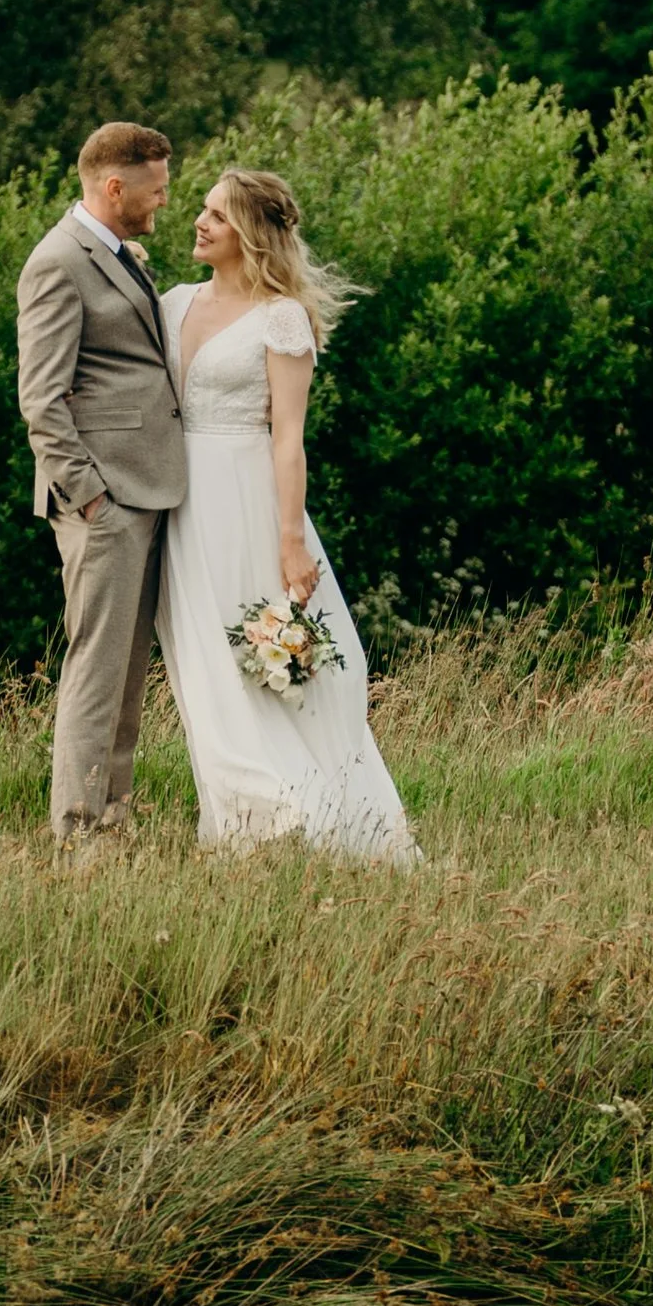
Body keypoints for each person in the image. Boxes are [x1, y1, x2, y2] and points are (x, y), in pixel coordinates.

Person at [156, 170, 414, 861]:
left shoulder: (281, 318)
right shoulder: (171, 303)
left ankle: (299, 816)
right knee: (203, 669)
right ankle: (243, 819)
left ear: (250, 234)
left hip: (247, 501)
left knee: (257, 662)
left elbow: (289, 439)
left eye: (216, 215)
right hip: (178, 510)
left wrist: (292, 542)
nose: (199, 223)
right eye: (203, 210)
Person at [15, 121, 186, 848]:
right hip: (103, 500)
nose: (163, 204)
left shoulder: (115, 251)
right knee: (96, 671)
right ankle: (78, 832)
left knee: (126, 671)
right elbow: (41, 400)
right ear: (113, 187)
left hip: (140, 489)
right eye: (155, 190)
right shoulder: (57, 262)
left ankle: (111, 818)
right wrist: (91, 496)